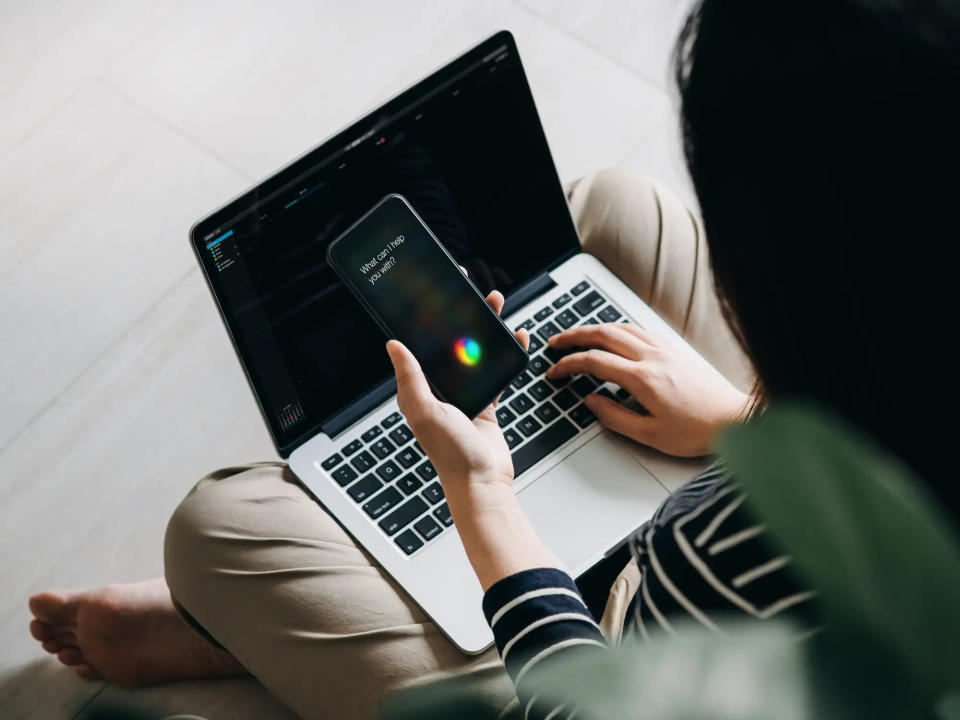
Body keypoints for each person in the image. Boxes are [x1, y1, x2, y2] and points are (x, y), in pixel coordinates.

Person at [28, 1, 958, 718]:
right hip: (779, 531)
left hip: (613, 658)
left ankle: (268, 633)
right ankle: (330, 614)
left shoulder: (717, 558)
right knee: (613, 216)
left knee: (217, 534)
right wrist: (738, 421)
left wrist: (482, 503)